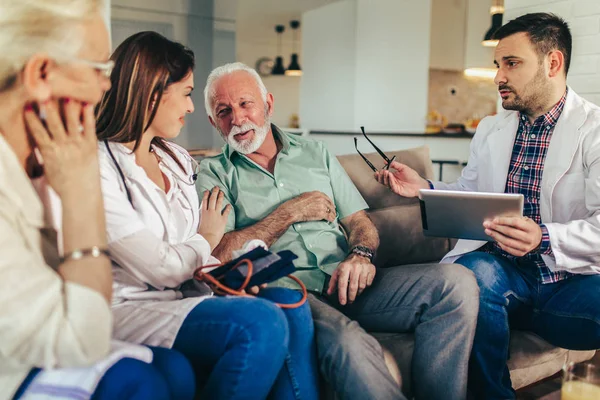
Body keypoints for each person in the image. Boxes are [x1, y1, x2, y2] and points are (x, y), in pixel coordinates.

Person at [198, 62, 480, 400]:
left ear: (268, 104)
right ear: (214, 122)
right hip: (293, 296)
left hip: (350, 282)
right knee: (350, 342)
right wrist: (288, 213)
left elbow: (359, 222)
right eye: (224, 111)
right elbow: (219, 254)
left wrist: (360, 255)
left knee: (457, 283)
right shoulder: (214, 174)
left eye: (246, 104)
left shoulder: (315, 153)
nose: (238, 119)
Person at [375, 13, 600, 399]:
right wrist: (426, 188)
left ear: (553, 63)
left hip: (570, 282)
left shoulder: (594, 131)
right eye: (498, 64)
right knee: (472, 275)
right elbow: (471, 192)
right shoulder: (491, 129)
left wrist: (543, 237)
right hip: (500, 276)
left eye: (511, 63)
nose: (498, 76)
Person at [95, 31, 319, 400]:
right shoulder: (100, 167)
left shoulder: (178, 160)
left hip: (186, 296)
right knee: (260, 324)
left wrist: (233, 278)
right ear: (153, 95)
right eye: (185, 93)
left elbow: (193, 259)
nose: (191, 108)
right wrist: (208, 238)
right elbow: (165, 267)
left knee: (289, 306)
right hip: (128, 308)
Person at [0, 1, 195, 400]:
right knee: (141, 384)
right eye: (98, 69)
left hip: (73, 329)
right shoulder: (74, 169)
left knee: (176, 369)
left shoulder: (49, 157)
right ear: (41, 74)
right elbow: (81, 340)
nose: (108, 85)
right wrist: (82, 194)